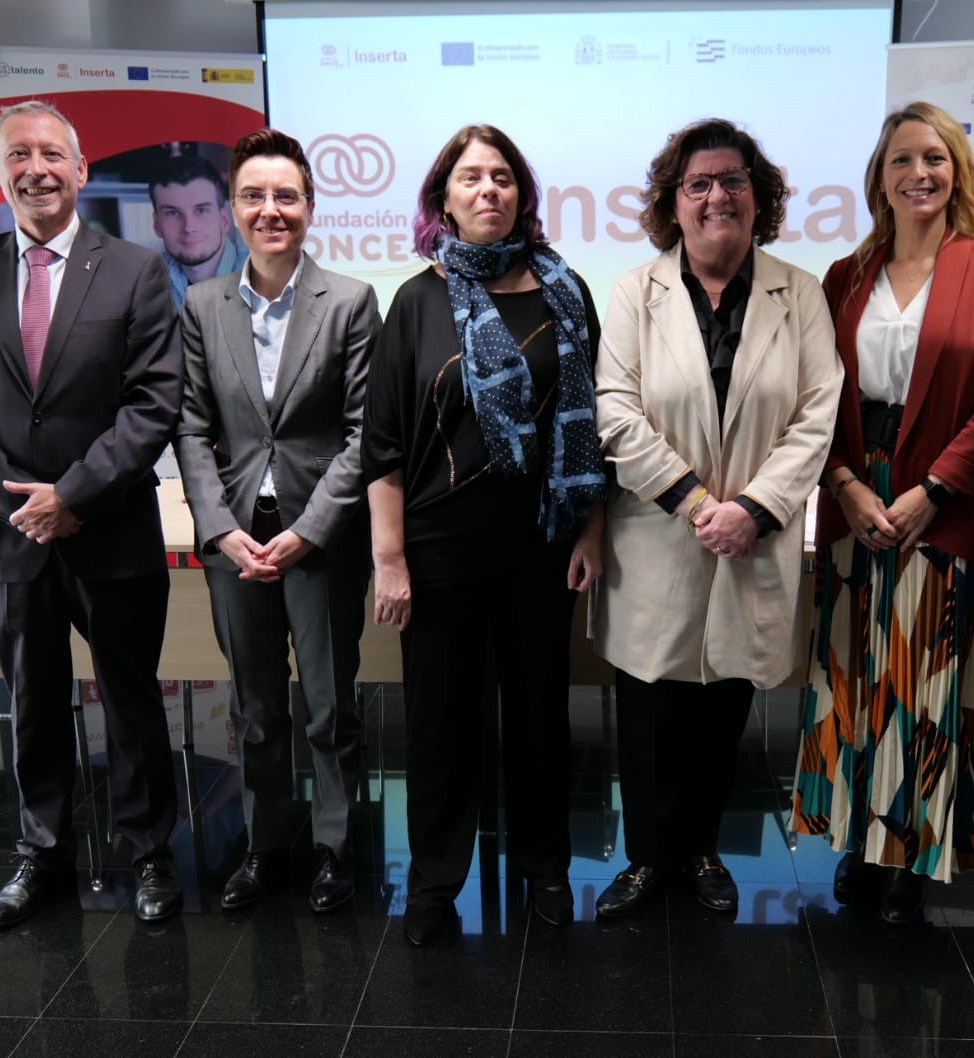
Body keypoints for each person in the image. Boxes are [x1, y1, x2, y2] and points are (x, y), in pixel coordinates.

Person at [0, 99, 185, 927]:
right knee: (31, 701)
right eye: (17, 155)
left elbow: (153, 403)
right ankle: (41, 856)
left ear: (82, 169)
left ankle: (149, 856)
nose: (35, 168)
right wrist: (21, 503)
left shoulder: (138, 270)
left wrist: (71, 493)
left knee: (133, 700)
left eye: (51, 154)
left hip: (110, 528)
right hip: (12, 538)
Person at [361, 124, 605, 946]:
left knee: (539, 717)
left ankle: (546, 869)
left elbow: (590, 431)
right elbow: (385, 445)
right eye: (471, 178)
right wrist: (389, 560)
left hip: (540, 543)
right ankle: (434, 880)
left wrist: (590, 530)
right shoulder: (417, 301)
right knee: (440, 723)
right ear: (445, 198)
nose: (488, 190)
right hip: (437, 552)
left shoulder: (566, 292)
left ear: (522, 195)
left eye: (502, 177)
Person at [592, 118, 842, 918]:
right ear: (674, 200)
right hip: (659, 536)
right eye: (697, 183)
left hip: (753, 541)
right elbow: (616, 413)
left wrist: (755, 511)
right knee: (649, 710)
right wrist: (704, 506)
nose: (716, 196)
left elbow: (816, 414)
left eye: (732, 180)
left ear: (757, 194)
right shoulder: (637, 290)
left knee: (722, 706)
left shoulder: (797, 292)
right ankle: (645, 860)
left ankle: (699, 851)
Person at [789, 101, 974, 924]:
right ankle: (858, 840)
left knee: (925, 684)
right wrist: (848, 484)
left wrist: (935, 492)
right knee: (855, 676)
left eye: (934, 158)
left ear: (955, 170)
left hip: (941, 499)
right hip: (856, 495)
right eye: (901, 160)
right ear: (878, 177)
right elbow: (816, 401)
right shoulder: (844, 276)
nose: (918, 173)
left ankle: (912, 853)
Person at [175, 128, 380, 914]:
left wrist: (311, 529)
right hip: (236, 539)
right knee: (255, 707)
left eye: (285, 196)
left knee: (329, 706)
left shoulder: (352, 301)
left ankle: (334, 849)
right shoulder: (201, 304)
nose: (271, 210)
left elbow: (367, 433)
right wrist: (221, 529)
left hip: (320, 542)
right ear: (232, 210)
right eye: (254, 197)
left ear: (310, 207)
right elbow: (191, 427)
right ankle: (264, 845)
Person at [151, 153, 249, 307]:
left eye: (201, 210)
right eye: (173, 213)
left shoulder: (264, 277)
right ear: (157, 225)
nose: (189, 227)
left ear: (224, 220)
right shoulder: (148, 283)